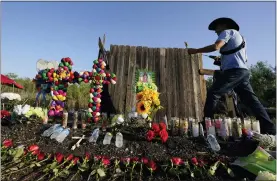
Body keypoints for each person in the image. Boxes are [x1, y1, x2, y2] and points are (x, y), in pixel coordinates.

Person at [187, 17, 275, 135]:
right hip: (243, 72)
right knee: (252, 101)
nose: (215, 31)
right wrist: (221, 60)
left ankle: (207, 126)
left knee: (214, 93)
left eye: (216, 27)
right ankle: (270, 129)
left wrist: (195, 50)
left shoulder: (227, 32)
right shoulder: (240, 37)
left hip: (234, 71)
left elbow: (216, 46)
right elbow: (239, 57)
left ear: (224, 25)